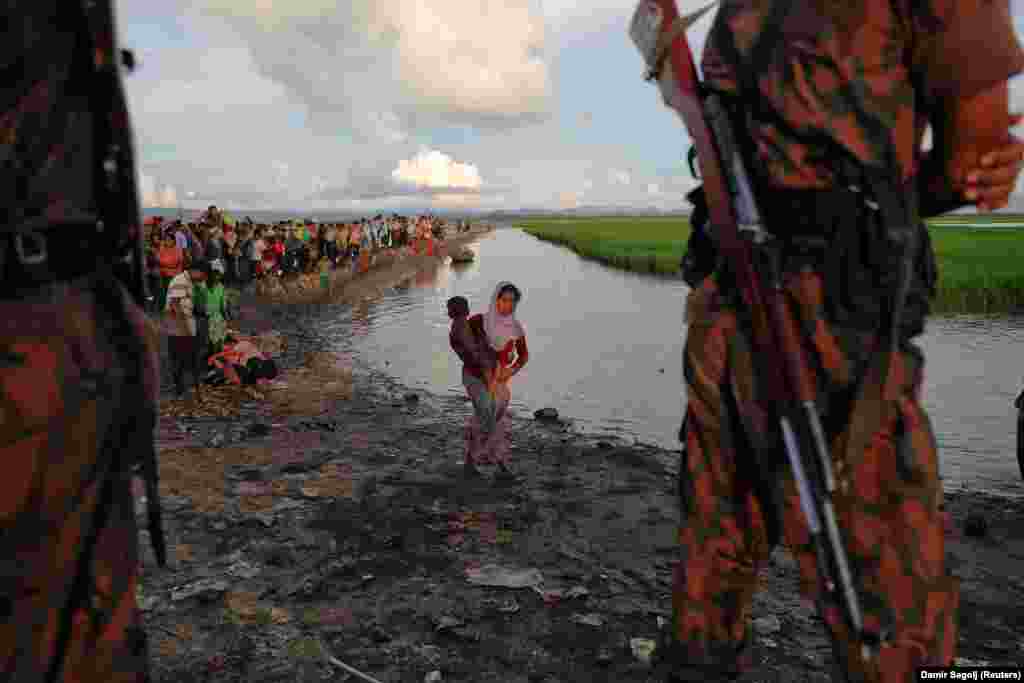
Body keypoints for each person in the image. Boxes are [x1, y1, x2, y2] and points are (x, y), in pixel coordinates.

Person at [663, 3, 1024, 682]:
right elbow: (974, 160)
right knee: (890, 599)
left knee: (717, 540)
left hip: (728, 302)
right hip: (830, 329)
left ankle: (698, 660)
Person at [476, 282, 529, 478]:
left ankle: (475, 462)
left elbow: (524, 356)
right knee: (490, 422)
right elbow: (466, 346)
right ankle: (498, 464)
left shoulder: (516, 328)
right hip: (481, 379)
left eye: (512, 302)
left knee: (493, 422)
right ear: (495, 300)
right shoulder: (480, 322)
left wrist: (512, 370)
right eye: (504, 300)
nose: (508, 305)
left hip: (501, 382)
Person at [449, 296, 499, 477]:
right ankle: (496, 462)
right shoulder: (459, 331)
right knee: (487, 418)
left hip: (483, 377)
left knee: (487, 418)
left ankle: (474, 461)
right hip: (477, 378)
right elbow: (475, 357)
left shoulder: (473, 324)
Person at [164, 261, 206, 398]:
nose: (202, 277)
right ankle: (179, 389)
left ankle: (185, 387)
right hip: (178, 326)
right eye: (202, 274)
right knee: (179, 358)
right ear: (195, 271)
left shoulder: (189, 282)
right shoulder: (180, 280)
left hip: (184, 325)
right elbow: (175, 305)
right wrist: (185, 329)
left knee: (187, 357)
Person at [156, 232, 185, 311]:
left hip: (173, 276)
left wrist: (162, 263)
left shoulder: (178, 250)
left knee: (172, 294)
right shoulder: (163, 249)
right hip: (163, 275)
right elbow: (157, 259)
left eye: (169, 240)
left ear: (173, 241)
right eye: (166, 240)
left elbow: (173, 263)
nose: (167, 242)